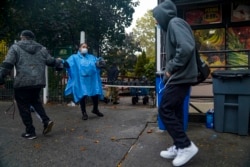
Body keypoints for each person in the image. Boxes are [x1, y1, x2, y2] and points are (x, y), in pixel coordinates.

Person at [153, 1, 199, 166]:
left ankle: (186, 146)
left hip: (180, 77)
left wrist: (170, 68)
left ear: (163, 15)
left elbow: (186, 47)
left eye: (156, 18)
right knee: (176, 111)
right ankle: (179, 145)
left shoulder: (175, 23)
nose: (156, 22)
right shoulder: (173, 25)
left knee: (165, 109)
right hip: (182, 77)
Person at [0, 30, 63, 140]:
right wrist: (58, 62)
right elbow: (50, 61)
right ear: (32, 38)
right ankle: (46, 121)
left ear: (22, 37)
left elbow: (8, 64)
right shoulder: (41, 48)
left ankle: (30, 132)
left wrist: (1, 77)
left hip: (22, 83)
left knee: (23, 107)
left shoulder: (15, 47)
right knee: (35, 102)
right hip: (38, 82)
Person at [63, 43, 105, 120]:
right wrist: (62, 63)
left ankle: (95, 109)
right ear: (79, 48)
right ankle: (84, 113)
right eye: (83, 47)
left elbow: (98, 63)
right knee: (83, 95)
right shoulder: (74, 57)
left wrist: (101, 63)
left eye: (86, 47)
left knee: (95, 94)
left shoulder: (92, 57)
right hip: (81, 81)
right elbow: (67, 63)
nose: (85, 48)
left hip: (92, 80)